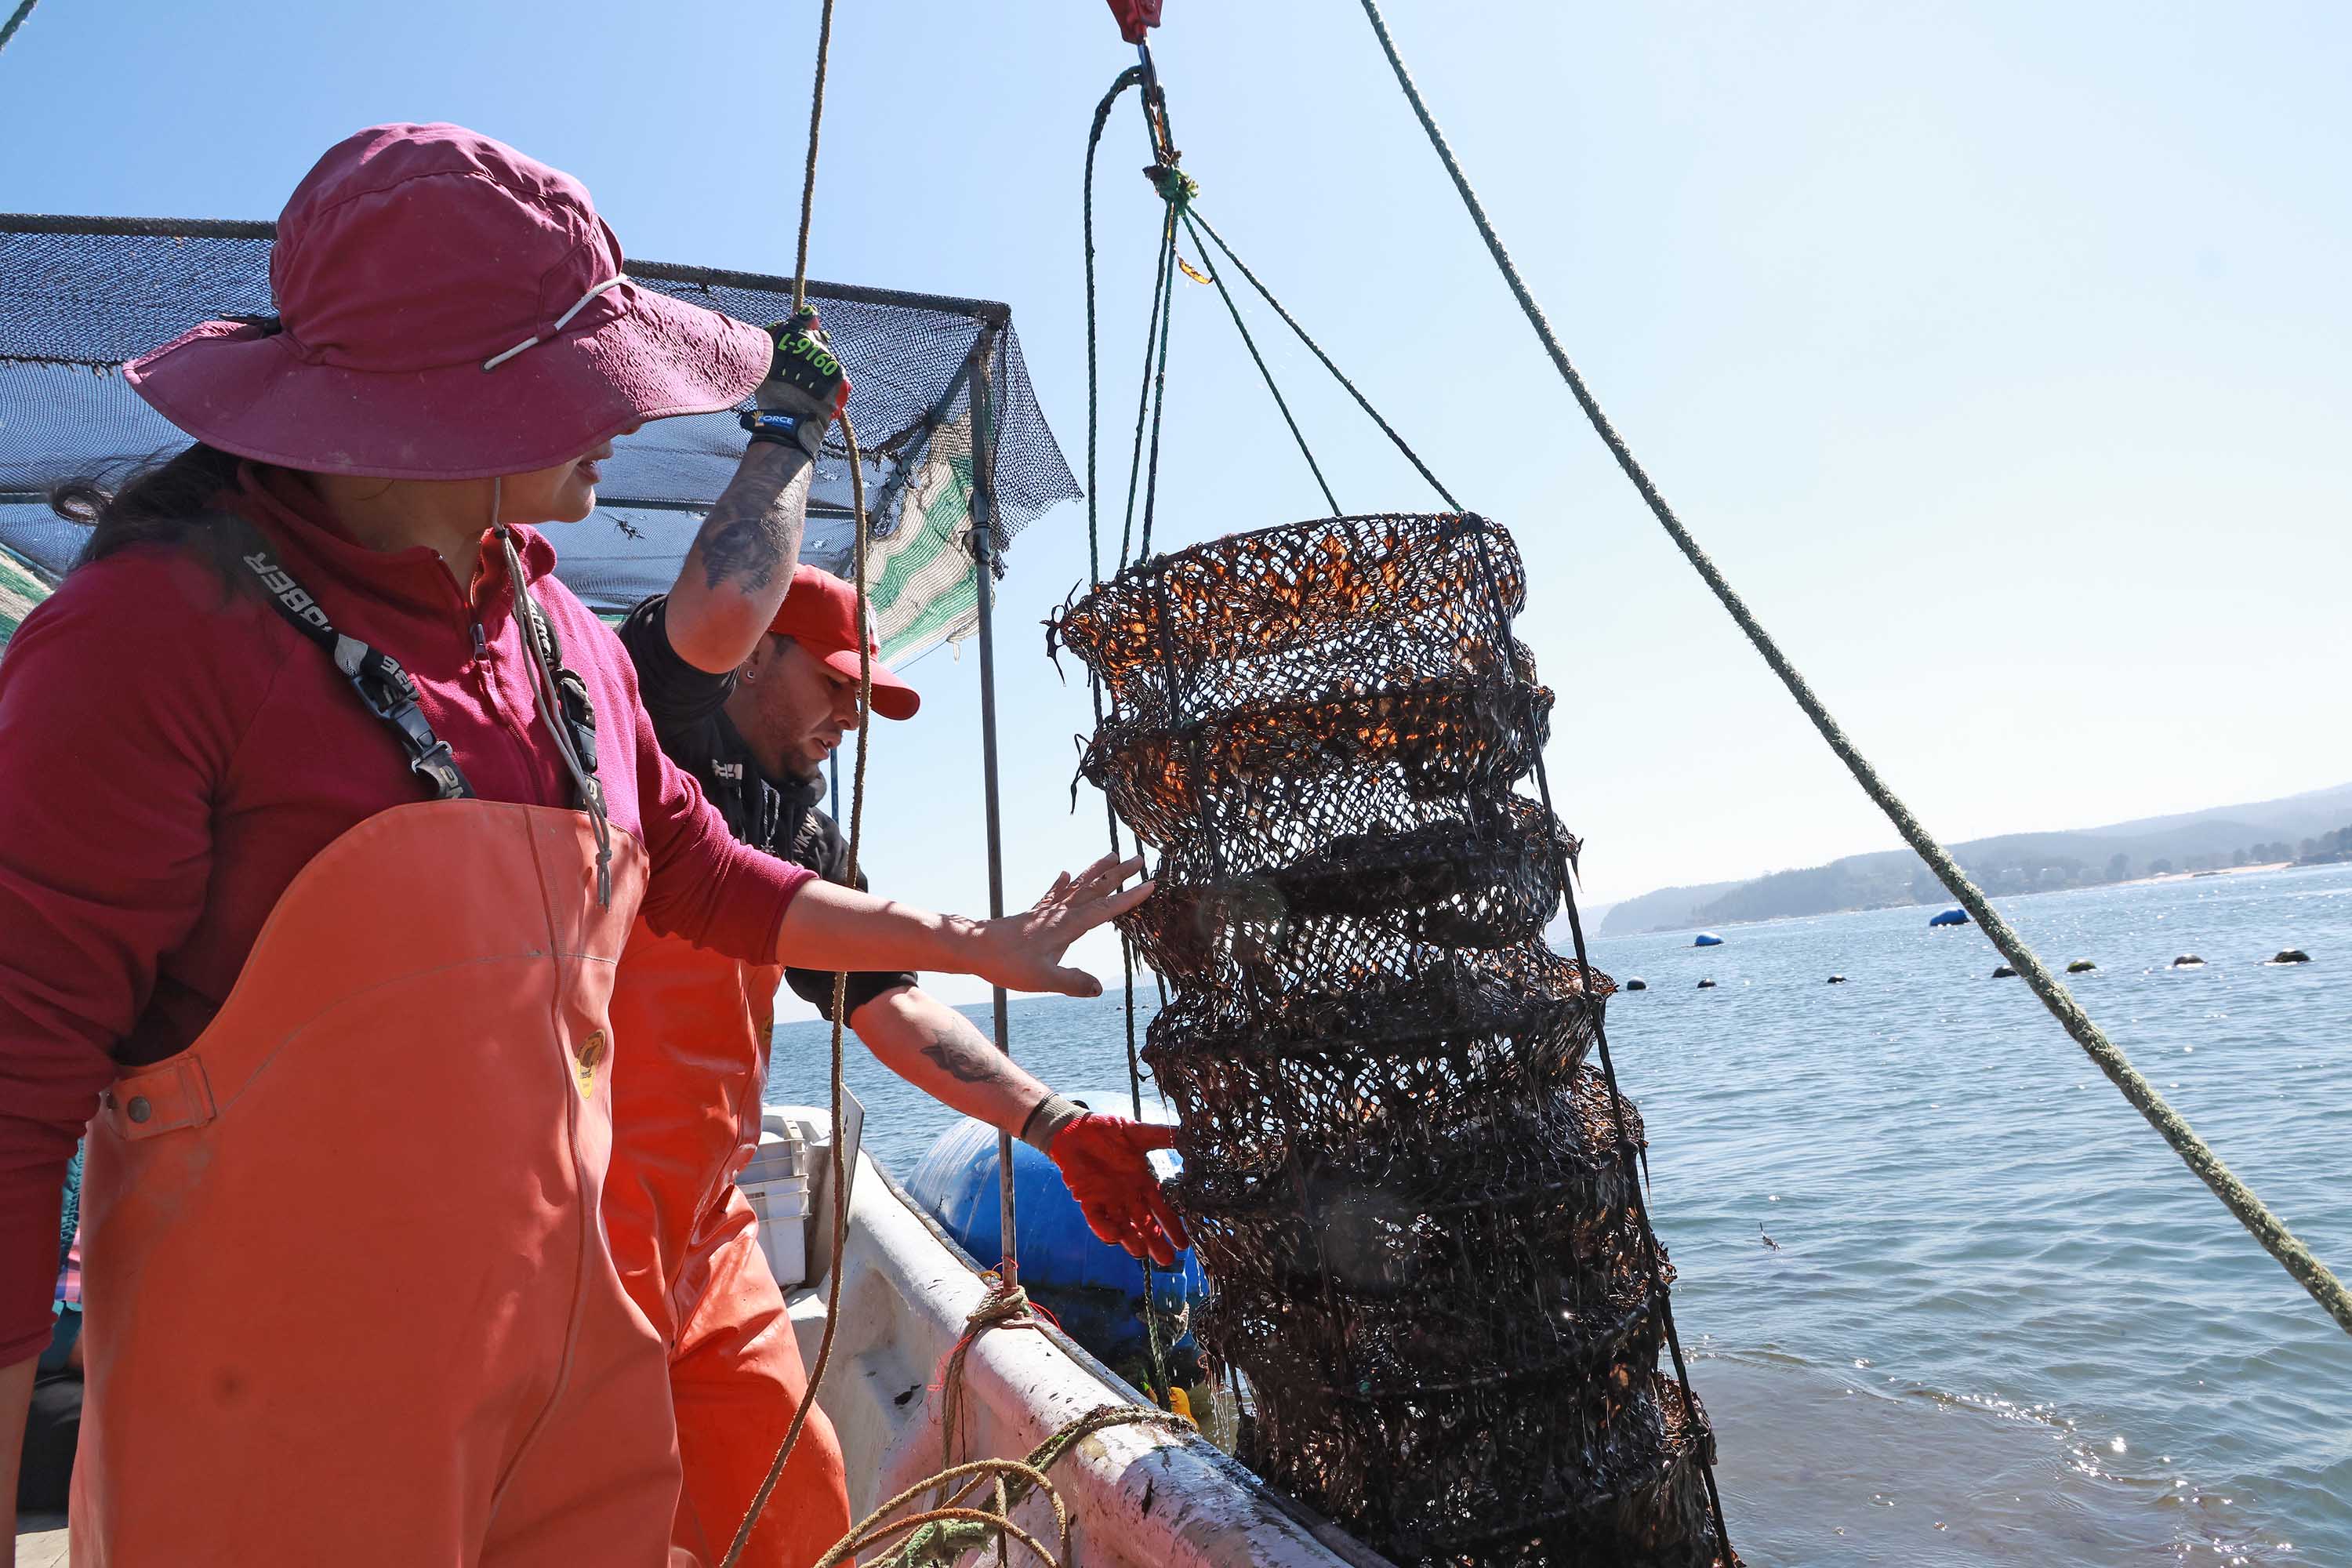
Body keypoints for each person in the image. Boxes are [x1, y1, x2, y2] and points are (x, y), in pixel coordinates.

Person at [0, 122, 1148, 1565]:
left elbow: (708, 875)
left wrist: (977, 947)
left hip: (575, 1402)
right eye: (586, 368)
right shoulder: (148, 640)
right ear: (455, 392)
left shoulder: (564, 647)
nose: (632, 408)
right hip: (282, 1441)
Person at [608, 563, 1191, 1567]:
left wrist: (1052, 1123)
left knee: (797, 1505)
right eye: (836, 683)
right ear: (750, 650)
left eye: (864, 697)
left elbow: (886, 1002)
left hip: (703, 1233)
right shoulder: (627, 747)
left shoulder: (802, 838)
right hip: (574, 1229)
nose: (851, 717)